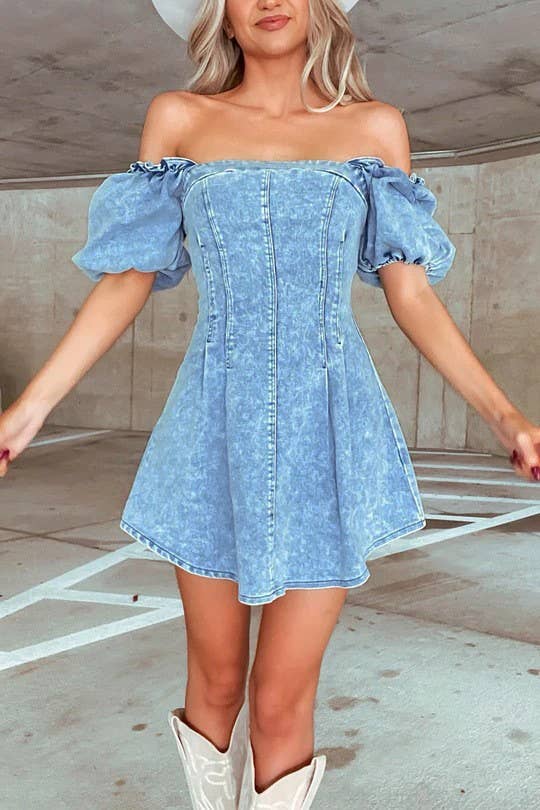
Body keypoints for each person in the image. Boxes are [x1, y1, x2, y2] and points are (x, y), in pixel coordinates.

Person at [1, 0, 539, 807]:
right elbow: (126, 279)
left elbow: (413, 296)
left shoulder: (376, 128)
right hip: (210, 429)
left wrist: (508, 418)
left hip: (329, 431)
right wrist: (28, 410)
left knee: (283, 697)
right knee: (216, 683)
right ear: (220, 13)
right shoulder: (179, 118)